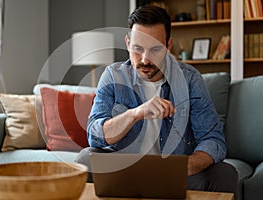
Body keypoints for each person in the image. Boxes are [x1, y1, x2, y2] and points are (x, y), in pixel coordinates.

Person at [76, 5, 238, 197]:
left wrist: (188, 165)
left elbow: (213, 139)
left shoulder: (190, 79)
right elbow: (95, 136)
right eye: (137, 49)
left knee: (225, 174)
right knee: (85, 159)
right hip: (124, 171)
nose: (145, 59)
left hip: (175, 173)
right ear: (127, 43)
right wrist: (135, 114)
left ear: (168, 46)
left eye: (155, 49)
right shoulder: (113, 76)